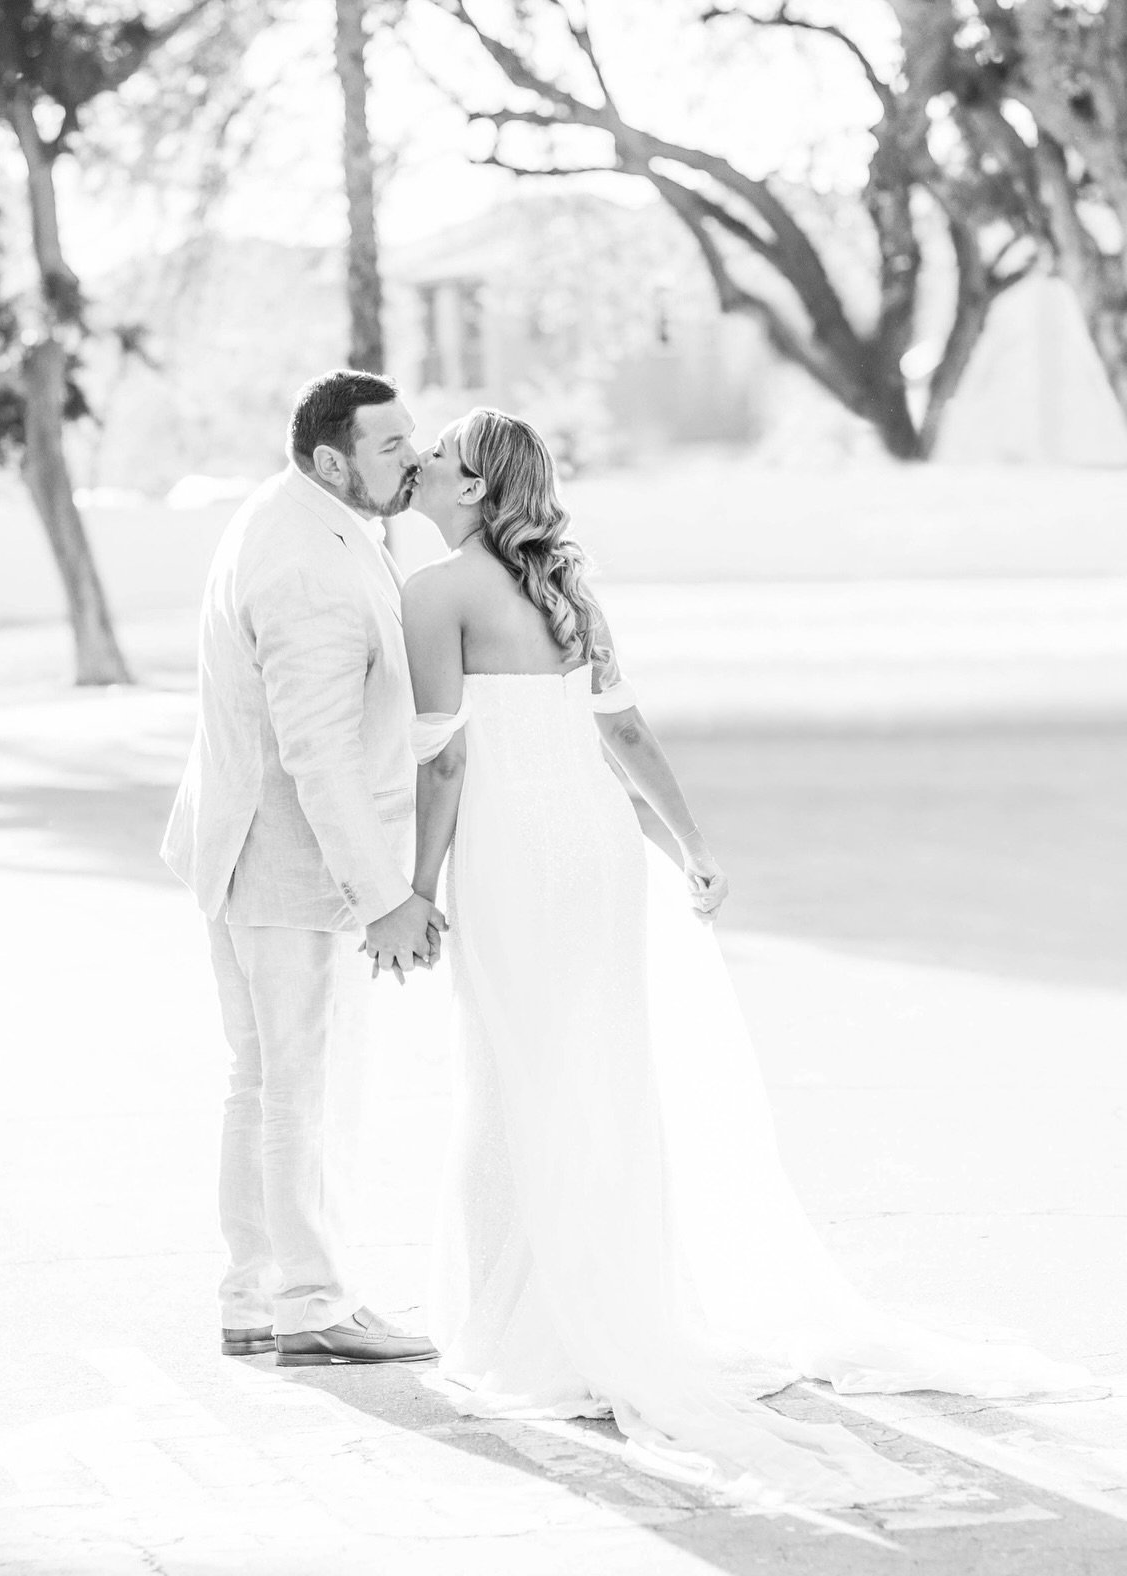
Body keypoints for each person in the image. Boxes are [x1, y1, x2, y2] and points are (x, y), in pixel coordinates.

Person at [403, 405, 1090, 1509]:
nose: (423, 464)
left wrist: (415, 890)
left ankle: (532, 1325)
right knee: (597, 1076)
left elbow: (442, 765)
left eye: (437, 455)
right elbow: (624, 736)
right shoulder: (567, 593)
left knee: (509, 1077)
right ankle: (609, 1304)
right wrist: (690, 850)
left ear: (476, 488)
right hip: (598, 849)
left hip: (508, 857)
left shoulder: (433, 594)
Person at [163, 369, 442, 1368]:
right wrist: (388, 898)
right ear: (332, 459)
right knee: (301, 1087)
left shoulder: (290, 513)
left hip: (238, 847)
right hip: (282, 865)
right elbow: (316, 754)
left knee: (262, 1080)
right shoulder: (308, 565)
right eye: (387, 445)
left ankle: (254, 1294)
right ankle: (314, 1304)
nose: (410, 455)